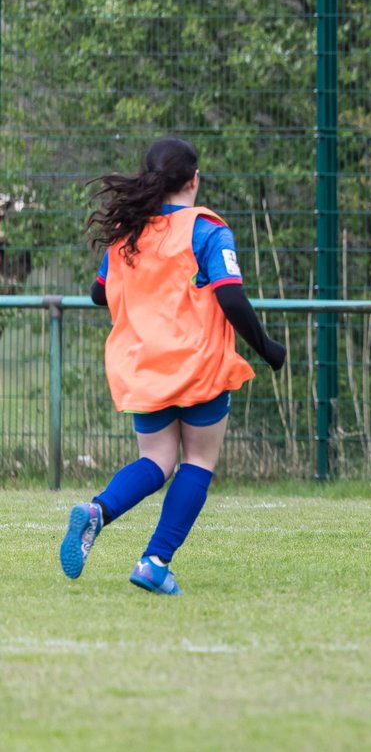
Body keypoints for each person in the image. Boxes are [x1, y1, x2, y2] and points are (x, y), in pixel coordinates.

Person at [60, 137, 286, 595]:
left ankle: (98, 511)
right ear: (194, 179)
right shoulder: (206, 230)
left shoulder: (129, 231)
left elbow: (98, 293)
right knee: (198, 460)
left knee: (156, 461)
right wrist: (267, 348)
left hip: (145, 365)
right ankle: (154, 562)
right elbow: (231, 296)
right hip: (198, 366)